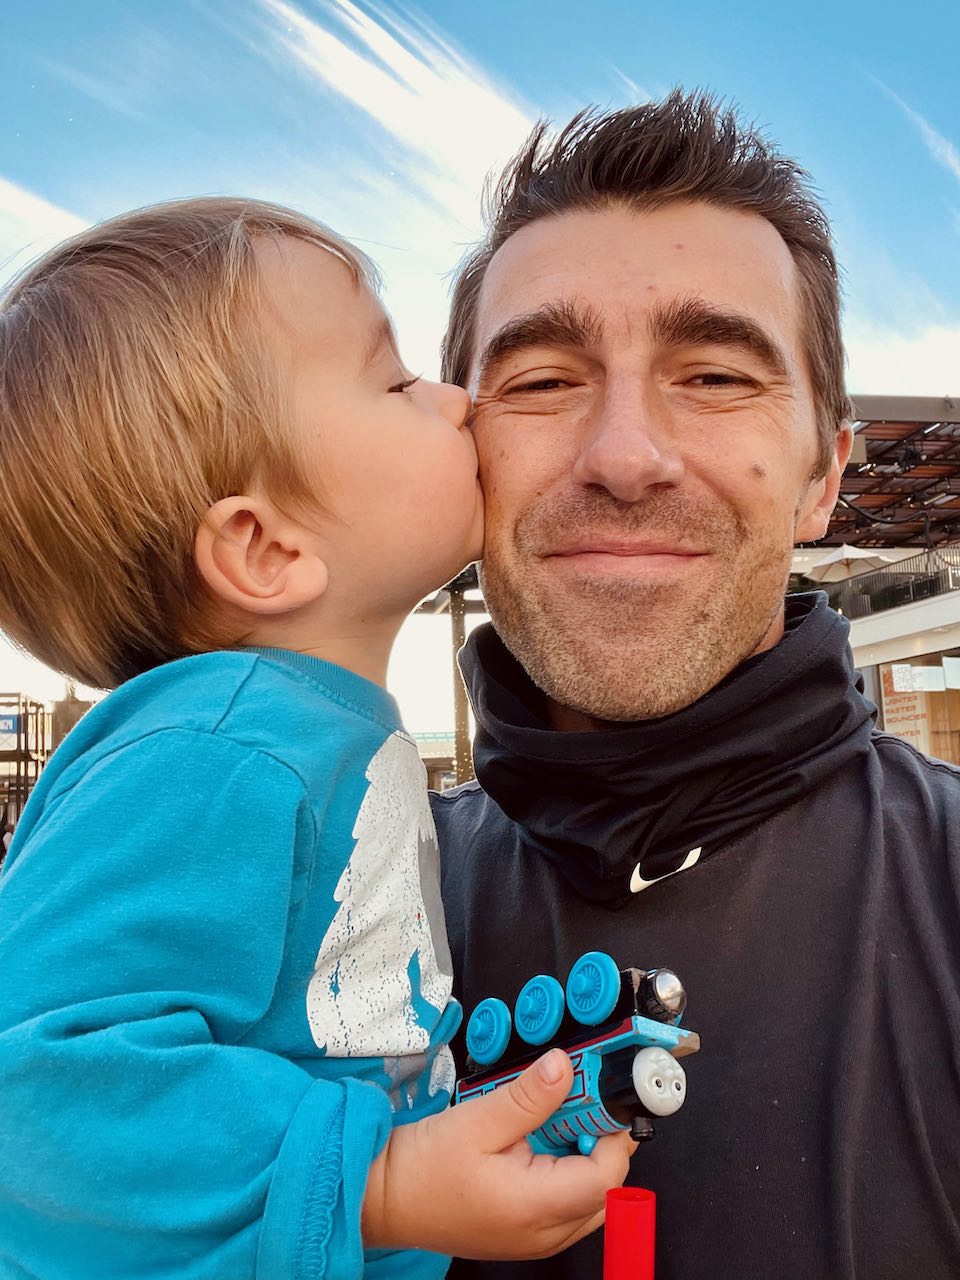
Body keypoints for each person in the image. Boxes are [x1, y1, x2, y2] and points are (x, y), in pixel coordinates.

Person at [0, 198, 633, 1279]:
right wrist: (383, 1187)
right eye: (395, 383)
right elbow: (42, 1091)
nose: (454, 399)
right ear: (265, 548)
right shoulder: (214, 753)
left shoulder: (293, 734)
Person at [433, 91, 960, 1279]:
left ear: (824, 475)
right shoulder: (321, 918)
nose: (625, 456)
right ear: (459, 454)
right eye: (541, 380)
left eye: (717, 375)